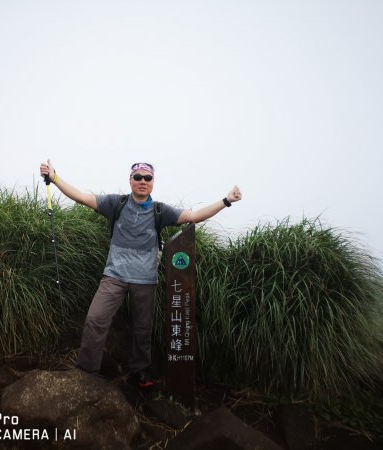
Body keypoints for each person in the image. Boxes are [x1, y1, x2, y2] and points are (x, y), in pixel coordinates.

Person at [39, 159, 242, 387]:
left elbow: (193, 217)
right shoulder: (115, 203)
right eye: (138, 177)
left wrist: (226, 201)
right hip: (114, 276)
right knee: (95, 319)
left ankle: (139, 371)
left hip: (145, 280)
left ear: (153, 182)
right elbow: (81, 197)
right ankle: (87, 371)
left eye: (147, 178)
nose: (142, 182)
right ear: (130, 180)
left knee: (143, 328)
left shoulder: (160, 211)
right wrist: (55, 177)